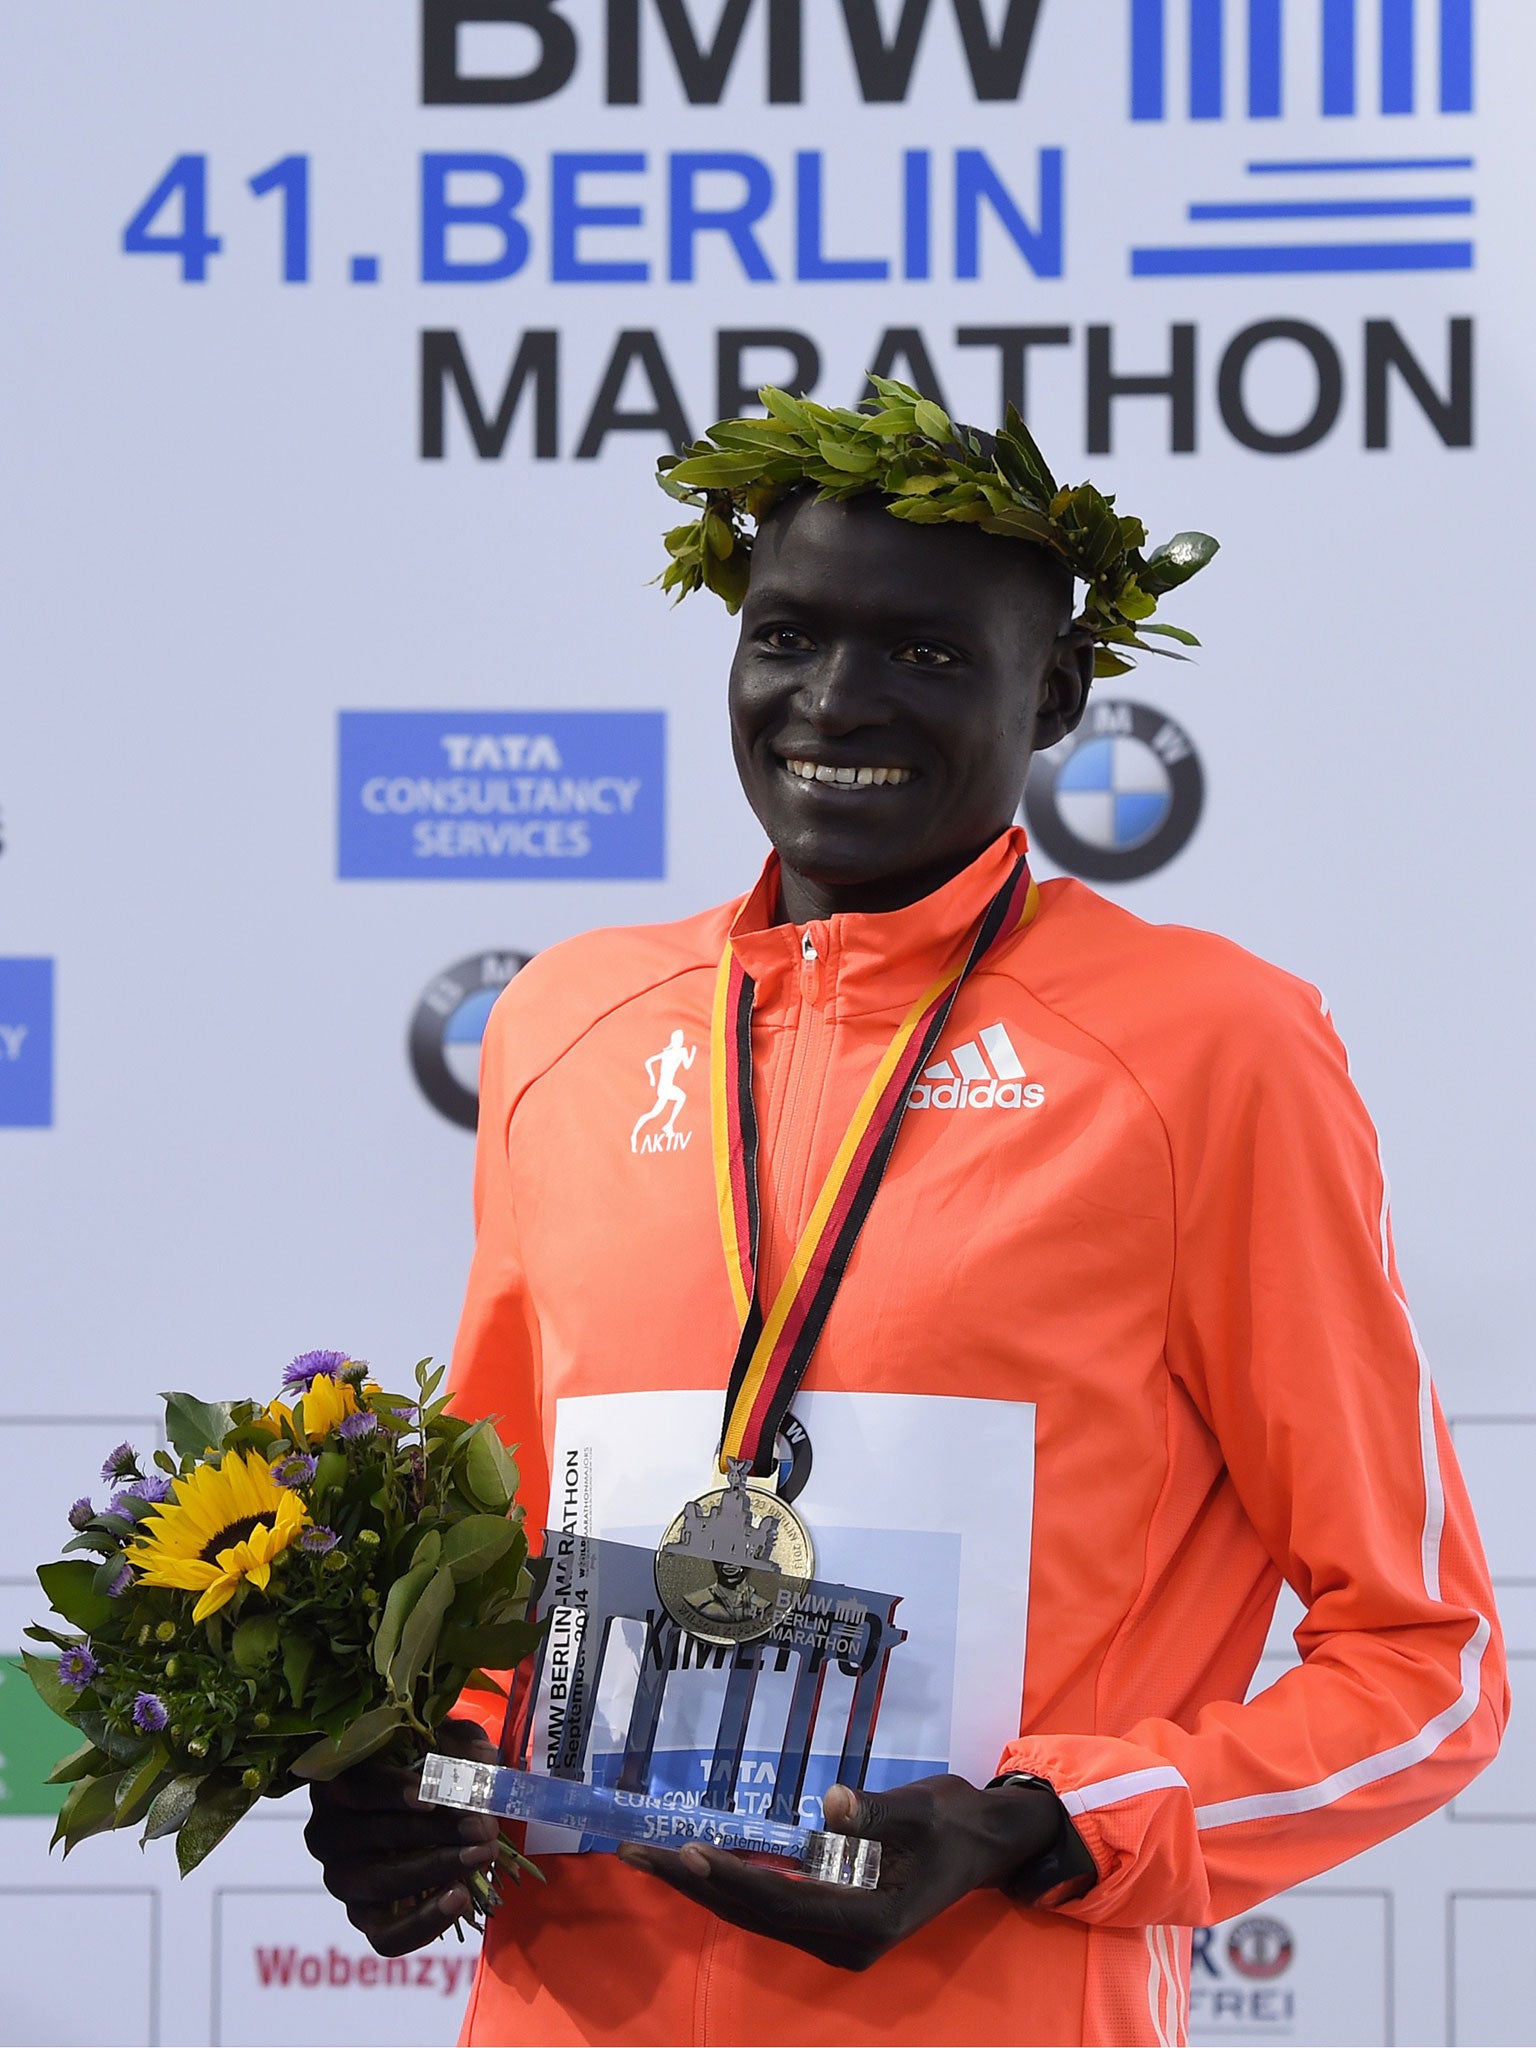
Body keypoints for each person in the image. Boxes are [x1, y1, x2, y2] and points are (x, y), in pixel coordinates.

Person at [305, 383, 1507, 2047]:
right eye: (788, 634)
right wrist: (418, 1791)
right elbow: (500, 1589)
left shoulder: (1208, 1052)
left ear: (1061, 692)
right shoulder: (567, 1030)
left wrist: (1039, 1825)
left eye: (930, 655)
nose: (836, 700)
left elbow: (1423, 1667)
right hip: (570, 2007)